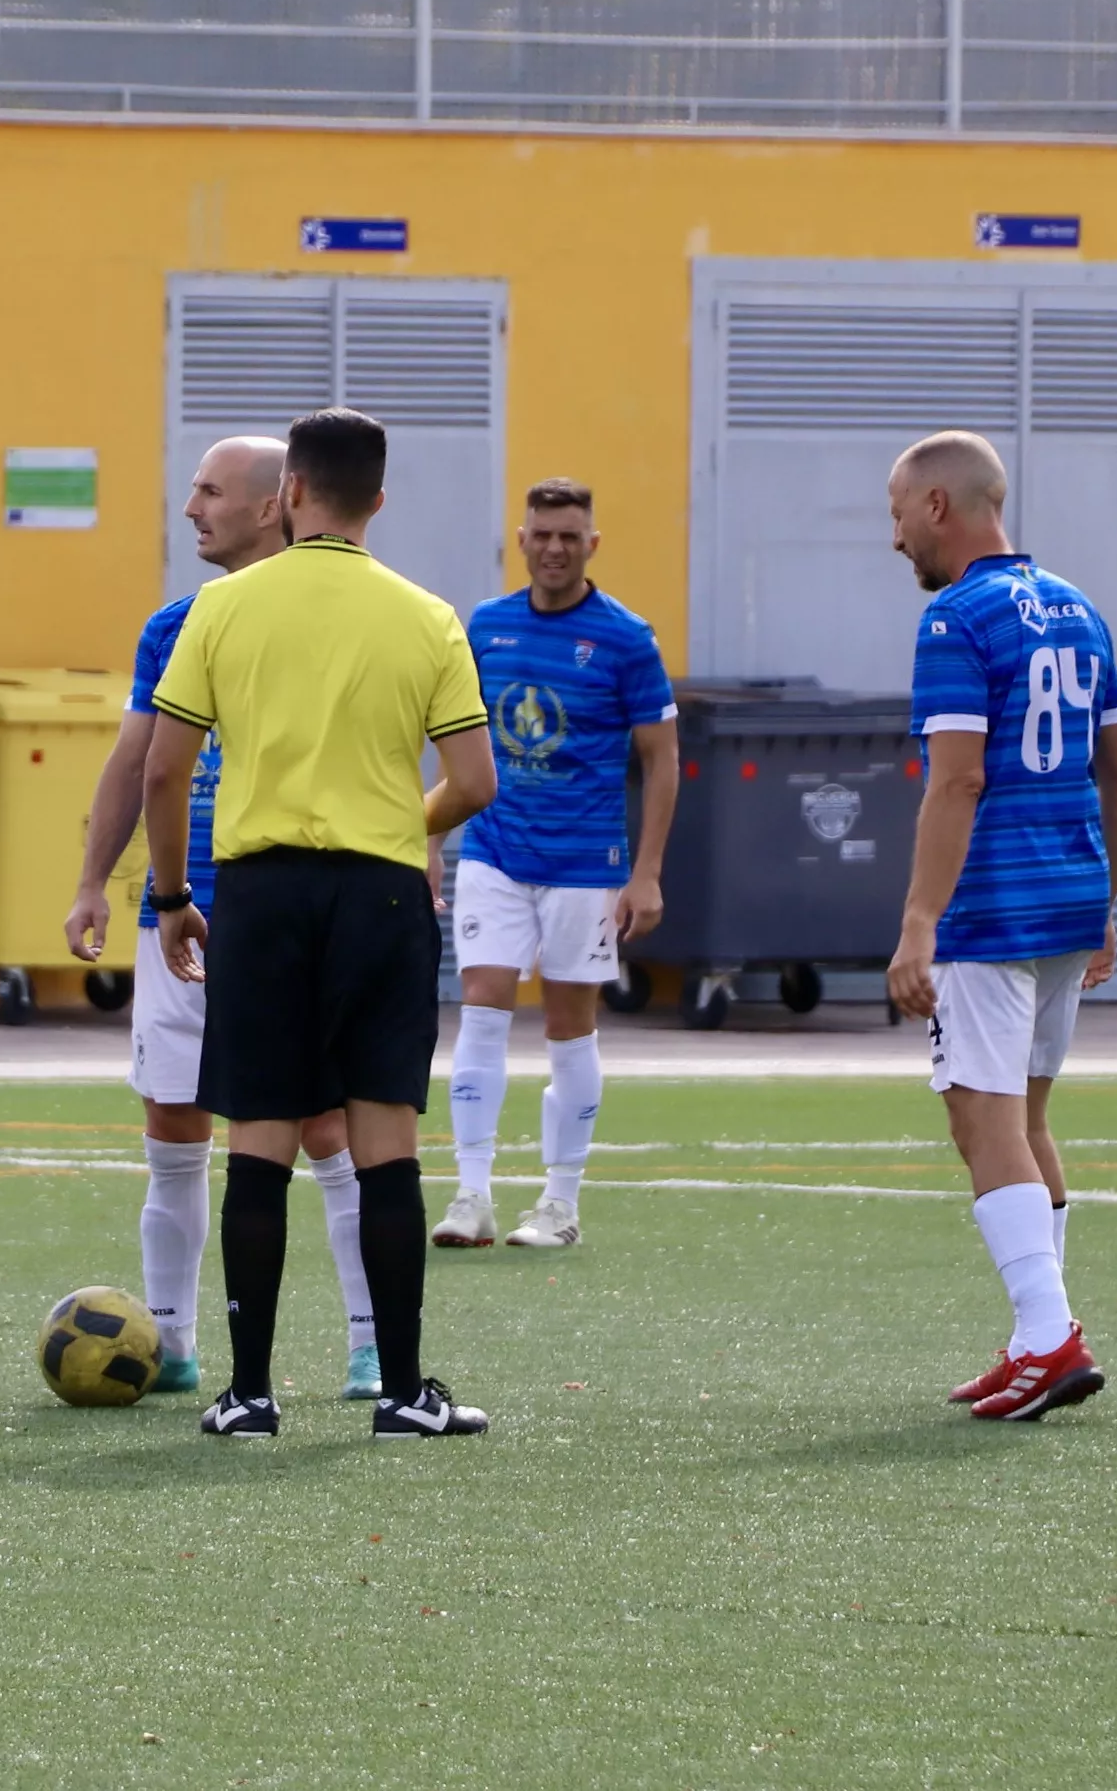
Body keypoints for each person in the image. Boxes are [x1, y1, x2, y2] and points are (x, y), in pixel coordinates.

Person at [143, 407, 498, 1442]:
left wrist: (172, 897)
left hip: (260, 894)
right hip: (384, 897)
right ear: (378, 501)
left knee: (257, 1140)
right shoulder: (428, 616)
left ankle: (247, 1394)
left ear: (290, 491)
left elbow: (166, 768)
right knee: (383, 1141)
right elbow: (472, 779)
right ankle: (401, 1394)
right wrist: (401, 827)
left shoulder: (223, 609)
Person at [62, 435, 392, 1402]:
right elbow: (136, 763)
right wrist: (95, 879)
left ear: (269, 505)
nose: (190, 507)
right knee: (174, 1124)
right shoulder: (174, 623)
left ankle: (368, 1343)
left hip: (288, 908)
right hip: (183, 911)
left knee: (326, 1127)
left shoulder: (336, 611)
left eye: (209, 491)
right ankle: (169, 1344)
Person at [884, 430, 1117, 1422]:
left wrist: (918, 922)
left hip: (992, 910)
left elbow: (959, 778)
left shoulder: (956, 621)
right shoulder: (1080, 609)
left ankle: (1047, 1337)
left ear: (941, 507)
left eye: (900, 511)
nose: (895, 534)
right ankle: (1041, 1334)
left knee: (980, 1118)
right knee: (1027, 1122)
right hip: (1072, 897)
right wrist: (1103, 901)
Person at [435, 479, 680, 1251]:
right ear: (521, 538)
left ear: (591, 544)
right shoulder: (486, 626)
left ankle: (558, 1202)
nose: (553, 548)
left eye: (569, 536)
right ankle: (470, 1195)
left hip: (583, 863)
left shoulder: (626, 637)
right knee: (479, 1009)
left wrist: (645, 873)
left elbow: (662, 759)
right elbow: (454, 736)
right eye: (541, 534)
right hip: (495, 850)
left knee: (569, 1027)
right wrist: (428, 835)